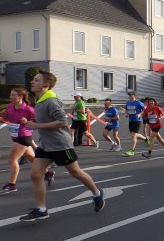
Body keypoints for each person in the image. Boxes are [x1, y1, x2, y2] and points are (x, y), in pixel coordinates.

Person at [19, 70, 105, 221]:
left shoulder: (51, 101)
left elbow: (62, 121)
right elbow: (45, 119)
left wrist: (37, 125)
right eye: (33, 79)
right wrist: (31, 122)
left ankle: (97, 193)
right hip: (45, 145)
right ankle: (41, 209)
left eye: (37, 80)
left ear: (46, 85)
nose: (32, 82)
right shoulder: (40, 100)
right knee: (35, 174)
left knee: (75, 172)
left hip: (60, 145)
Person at [0, 87, 39, 193]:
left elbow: (38, 121)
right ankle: (48, 173)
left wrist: (27, 121)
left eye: (13, 95)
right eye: (10, 95)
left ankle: (12, 185)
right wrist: (4, 116)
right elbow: (7, 118)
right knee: (32, 159)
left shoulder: (28, 109)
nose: (10, 97)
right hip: (15, 136)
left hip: (24, 136)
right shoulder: (9, 106)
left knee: (12, 160)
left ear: (20, 96)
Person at [124, 91, 150, 156]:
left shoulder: (139, 103)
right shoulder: (127, 103)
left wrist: (139, 114)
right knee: (134, 135)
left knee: (133, 135)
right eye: (129, 95)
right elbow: (126, 110)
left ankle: (132, 151)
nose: (130, 96)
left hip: (137, 121)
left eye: (131, 95)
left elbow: (145, 109)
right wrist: (126, 113)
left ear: (134, 96)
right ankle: (146, 139)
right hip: (131, 120)